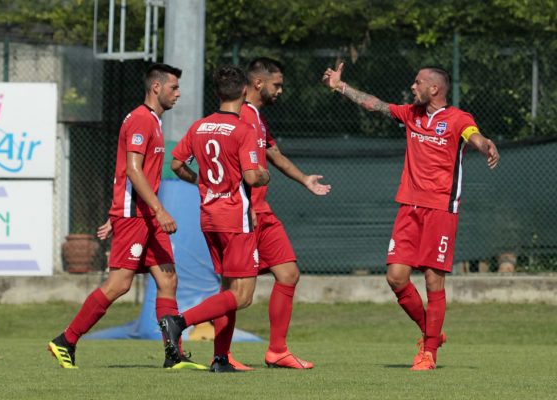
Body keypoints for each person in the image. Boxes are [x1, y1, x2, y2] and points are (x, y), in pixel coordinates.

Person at [322, 63, 499, 370]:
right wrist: (341, 86)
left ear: (434, 89)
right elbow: (375, 105)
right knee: (396, 277)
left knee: (433, 282)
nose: (412, 87)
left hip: (441, 209)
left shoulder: (458, 119)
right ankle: (431, 333)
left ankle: (429, 353)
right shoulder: (410, 114)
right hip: (409, 207)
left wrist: (485, 146)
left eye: (418, 83)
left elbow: (473, 135)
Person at [48, 63, 203, 370]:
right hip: (138, 216)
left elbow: (128, 172)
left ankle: (173, 355)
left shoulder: (154, 122)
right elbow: (132, 170)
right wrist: (153, 210)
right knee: (119, 284)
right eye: (173, 87)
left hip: (144, 216)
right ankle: (66, 341)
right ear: (156, 87)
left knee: (168, 278)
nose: (178, 93)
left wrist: (126, 211)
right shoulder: (140, 120)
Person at [212, 57, 330, 371]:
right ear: (259, 83)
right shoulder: (243, 117)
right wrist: (245, 206)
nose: (280, 91)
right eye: (277, 85)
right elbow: (238, 167)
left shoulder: (257, 118)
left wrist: (304, 179)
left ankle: (277, 350)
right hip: (246, 213)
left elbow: (272, 153)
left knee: (288, 274)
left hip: (262, 212)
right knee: (234, 291)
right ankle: (213, 349)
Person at [165, 64, 270, 372]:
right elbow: (252, 176)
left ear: (218, 93)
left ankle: (220, 358)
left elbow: (175, 164)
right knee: (243, 296)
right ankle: (179, 322)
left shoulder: (200, 126)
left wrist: (200, 181)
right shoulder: (243, 130)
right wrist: (264, 175)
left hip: (209, 217)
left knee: (227, 291)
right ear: (245, 91)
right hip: (236, 218)